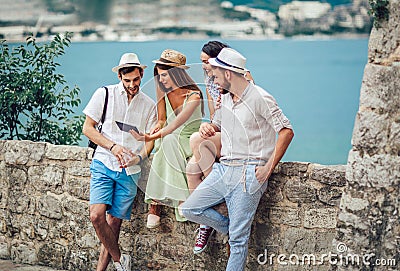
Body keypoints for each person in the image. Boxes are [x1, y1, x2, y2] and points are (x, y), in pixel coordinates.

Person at [181, 48, 294, 271]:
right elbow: (219, 125)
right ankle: (231, 227)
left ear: (228, 73)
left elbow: (286, 131)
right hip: (224, 170)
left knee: (238, 242)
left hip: (248, 173)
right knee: (189, 209)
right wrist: (208, 126)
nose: (211, 77)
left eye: (215, 72)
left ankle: (235, 231)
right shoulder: (227, 99)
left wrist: (268, 168)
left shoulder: (260, 97)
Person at [82, 52, 157, 271]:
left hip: (130, 170)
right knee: (96, 216)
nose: (132, 85)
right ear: (120, 78)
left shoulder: (149, 105)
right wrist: (113, 147)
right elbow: (87, 128)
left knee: (114, 224)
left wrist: (139, 156)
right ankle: (120, 260)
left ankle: (103, 269)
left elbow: (149, 141)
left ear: (141, 74)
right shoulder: (104, 94)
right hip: (104, 162)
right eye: (127, 81)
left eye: (135, 79)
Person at [186, 41, 253, 254]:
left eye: (206, 62)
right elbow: (217, 114)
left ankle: (217, 189)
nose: (204, 66)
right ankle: (206, 222)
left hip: (237, 138)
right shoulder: (210, 79)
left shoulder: (239, 79)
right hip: (221, 130)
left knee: (196, 140)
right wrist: (209, 126)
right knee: (191, 169)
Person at [129, 49, 204, 228]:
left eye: (164, 76)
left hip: (188, 138)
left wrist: (149, 136)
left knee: (168, 141)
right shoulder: (161, 88)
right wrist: (157, 126)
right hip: (168, 136)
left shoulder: (194, 96)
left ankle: (156, 205)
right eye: (159, 75)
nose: (160, 80)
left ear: (177, 74)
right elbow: (163, 120)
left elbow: (175, 125)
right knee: (167, 141)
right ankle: (176, 202)